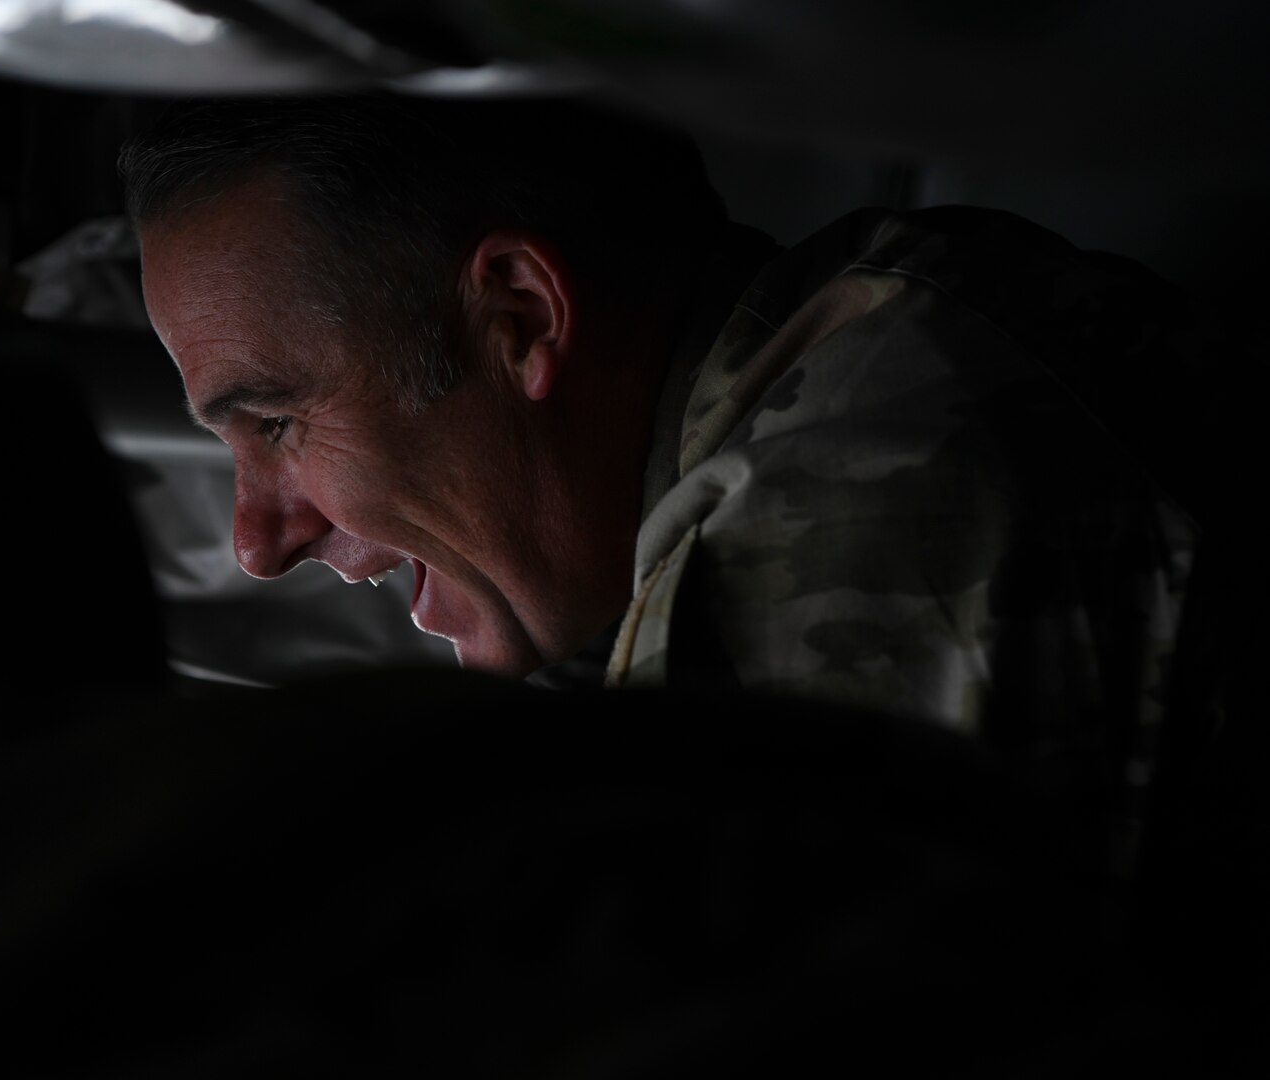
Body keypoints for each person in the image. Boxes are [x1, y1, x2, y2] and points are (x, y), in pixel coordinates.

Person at [121, 96, 1227, 870]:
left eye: (276, 420)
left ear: (518, 314)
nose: (260, 540)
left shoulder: (857, 491)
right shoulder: (872, 335)